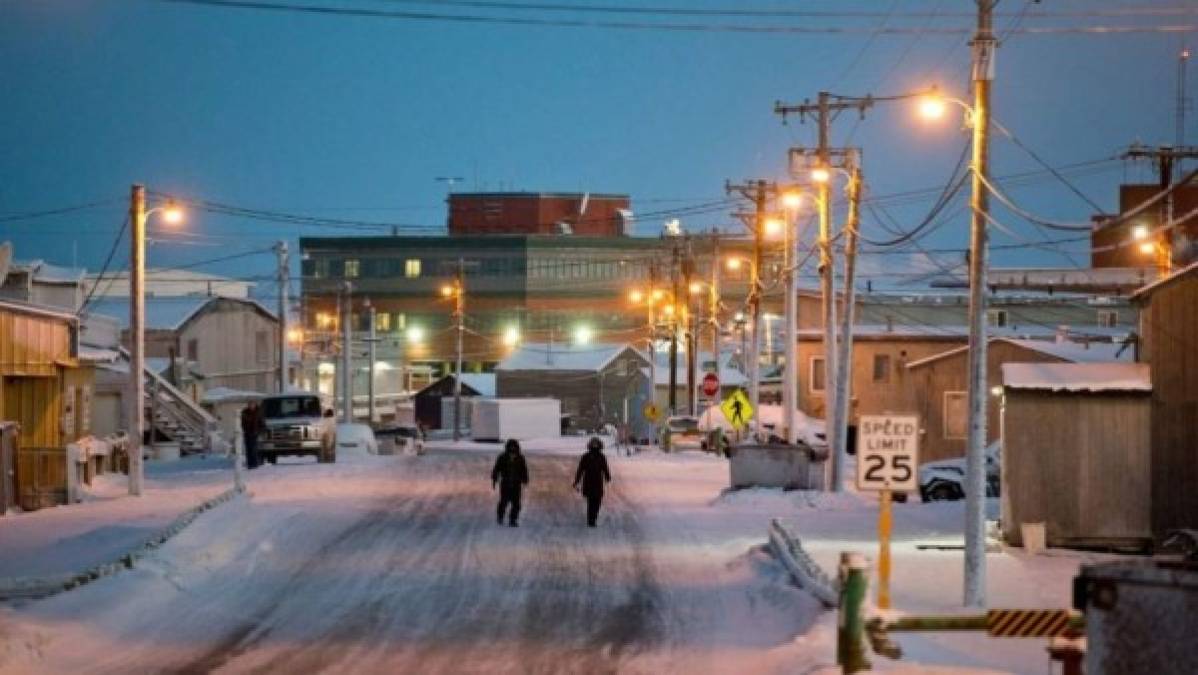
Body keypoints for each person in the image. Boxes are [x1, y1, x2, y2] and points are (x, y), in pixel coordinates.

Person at [573, 436, 612, 527]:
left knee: (597, 502)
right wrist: (577, 481)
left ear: (599, 445)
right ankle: (591, 520)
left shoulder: (602, 457)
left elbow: (605, 468)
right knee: (591, 502)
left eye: (596, 444)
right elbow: (580, 470)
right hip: (589, 482)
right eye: (593, 444)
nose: (595, 446)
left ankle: (593, 518)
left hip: (598, 482)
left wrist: (607, 477)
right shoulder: (585, 457)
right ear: (590, 445)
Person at [491, 439, 529, 527]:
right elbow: (496, 469)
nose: (512, 450)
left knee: (516, 504)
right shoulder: (502, 457)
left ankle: (513, 519)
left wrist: (525, 479)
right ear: (507, 448)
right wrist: (494, 478)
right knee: (503, 502)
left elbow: (524, 470)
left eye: (514, 448)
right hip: (505, 483)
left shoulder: (520, 458)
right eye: (511, 448)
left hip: (516, 484)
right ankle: (500, 516)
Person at [240, 400, 264, 469]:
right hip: (247, 432)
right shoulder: (245, 412)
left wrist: (260, 431)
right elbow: (242, 422)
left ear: (255, 404)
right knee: (248, 448)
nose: (251, 406)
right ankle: (250, 464)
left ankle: (255, 463)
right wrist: (245, 429)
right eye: (249, 404)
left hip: (255, 432)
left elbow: (261, 422)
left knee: (254, 448)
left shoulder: (258, 412)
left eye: (252, 404)